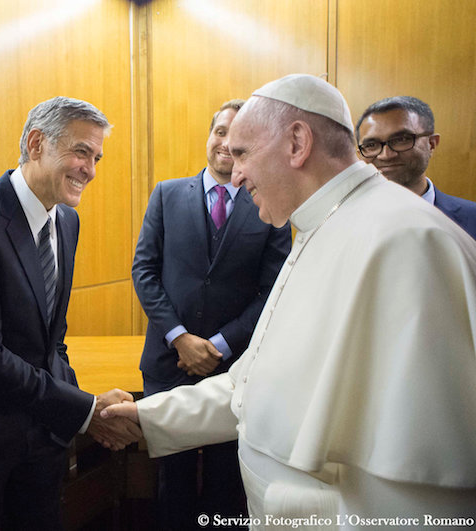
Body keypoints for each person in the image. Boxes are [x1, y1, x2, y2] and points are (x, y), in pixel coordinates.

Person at [103, 74, 476, 525]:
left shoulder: (410, 243)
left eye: (242, 153)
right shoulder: (319, 226)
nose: (234, 174)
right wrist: (145, 417)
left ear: (297, 143)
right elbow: (255, 385)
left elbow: (421, 482)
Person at [0, 96, 141, 530]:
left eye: (96, 157)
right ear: (36, 143)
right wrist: (86, 410)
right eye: (80, 152)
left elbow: (51, 338)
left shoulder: (67, 221)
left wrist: (81, 412)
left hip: (40, 440)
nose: (90, 169)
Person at [132, 99, 290, 528]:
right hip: (168, 361)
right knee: (172, 482)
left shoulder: (271, 204)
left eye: (238, 137)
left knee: (228, 482)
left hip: (235, 365)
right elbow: (144, 271)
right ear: (210, 136)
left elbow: (275, 289)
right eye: (220, 131)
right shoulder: (166, 194)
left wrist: (219, 345)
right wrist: (179, 337)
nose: (226, 143)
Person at [356, 96, 476, 239]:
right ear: (360, 154)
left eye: (401, 140)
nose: (386, 155)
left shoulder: (472, 218)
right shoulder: (342, 219)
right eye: (371, 145)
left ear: (431, 144)